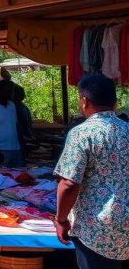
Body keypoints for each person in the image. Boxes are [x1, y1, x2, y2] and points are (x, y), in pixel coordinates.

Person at [53, 74, 129, 269]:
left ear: (84, 101)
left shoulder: (82, 134)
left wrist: (60, 219)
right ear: (115, 103)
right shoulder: (127, 130)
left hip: (95, 228)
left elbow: (69, 183)